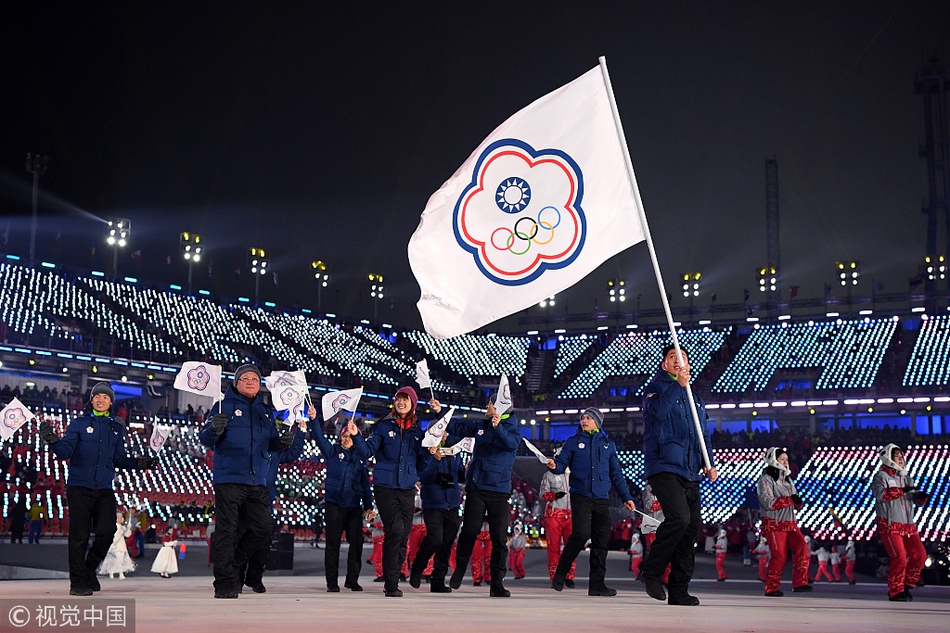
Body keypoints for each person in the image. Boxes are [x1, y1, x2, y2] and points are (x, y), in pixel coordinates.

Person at [39, 382, 157, 596]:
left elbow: (119, 459)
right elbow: (64, 451)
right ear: (91, 400)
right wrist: (53, 440)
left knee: (107, 531)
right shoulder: (79, 424)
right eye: (97, 396)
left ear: (111, 402)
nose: (101, 399)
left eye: (105, 396)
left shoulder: (116, 428)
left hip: (104, 488)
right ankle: (77, 583)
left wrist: (141, 463)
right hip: (79, 487)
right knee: (79, 536)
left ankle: (88, 568)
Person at [198, 364, 294, 599]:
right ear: (236, 382)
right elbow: (205, 438)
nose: (251, 381)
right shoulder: (223, 406)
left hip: (257, 480)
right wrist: (213, 429)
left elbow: (270, 442)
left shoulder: (263, 410)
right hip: (229, 477)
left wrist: (281, 442)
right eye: (245, 378)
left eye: (255, 378)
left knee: (263, 529)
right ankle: (223, 583)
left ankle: (233, 566)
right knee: (226, 532)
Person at [640, 345, 717, 606]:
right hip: (663, 464)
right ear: (664, 365)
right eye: (672, 357)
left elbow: (703, 433)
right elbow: (657, 414)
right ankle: (651, 571)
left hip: (690, 468)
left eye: (682, 357)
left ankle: (679, 589)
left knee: (692, 528)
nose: (677, 360)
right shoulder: (656, 388)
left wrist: (709, 462)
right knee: (679, 519)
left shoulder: (695, 398)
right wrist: (677, 386)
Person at [351, 386, 443, 597]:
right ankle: (391, 582)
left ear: (413, 404)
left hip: (407, 489)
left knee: (402, 537)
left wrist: (429, 454)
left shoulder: (418, 433)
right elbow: (367, 451)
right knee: (396, 530)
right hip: (385, 487)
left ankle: (393, 577)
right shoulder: (383, 427)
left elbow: (421, 467)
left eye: (406, 399)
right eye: (398, 399)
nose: (401, 402)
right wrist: (356, 436)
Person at [546, 408, 637, 596]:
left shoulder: (608, 445)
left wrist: (626, 497)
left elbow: (616, 474)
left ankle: (597, 585)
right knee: (580, 534)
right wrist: (555, 466)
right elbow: (561, 464)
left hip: (602, 498)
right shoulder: (572, 443)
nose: (584, 421)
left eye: (588, 418)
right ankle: (560, 573)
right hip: (581, 496)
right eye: (582, 418)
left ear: (597, 421)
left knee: (601, 542)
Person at [447, 392, 521, 598]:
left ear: (500, 407)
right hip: (477, 487)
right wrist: (439, 413)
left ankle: (497, 583)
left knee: (498, 539)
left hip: (498, 490)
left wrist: (498, 428)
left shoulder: (513, 429)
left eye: (490, 403)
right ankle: (460, 570)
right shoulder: (481, 425)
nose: (487, 406)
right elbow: (459, 427)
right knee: (469, 531)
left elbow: (511, 445)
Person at [236, 411, 309, 594]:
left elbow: (292, 453)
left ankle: (254, 578)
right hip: (243, 497)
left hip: (265, 500)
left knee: (263, 541)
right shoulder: (248, 445)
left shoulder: (275, 450)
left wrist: (300, 432)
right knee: (240, 538)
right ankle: (236, 578)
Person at [312, 414, 372, 592]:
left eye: (350, 436)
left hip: (354, 506)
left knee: (357, 543)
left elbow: (366, 486)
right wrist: (314, 420)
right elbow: (318, 437)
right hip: (334, 504)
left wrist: (368, 506)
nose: (346, 439)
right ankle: (332, 582)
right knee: (333, 544)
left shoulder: (362, 460)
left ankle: (352, 580)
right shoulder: (332, 452)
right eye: (344, 436)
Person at [871, 444, 929, 602]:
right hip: (890, 525)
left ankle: (907, 585)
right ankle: (895, 591)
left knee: (920, 555)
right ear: (889, 458)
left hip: (908, 525)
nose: (901, 459)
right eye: (897, 456)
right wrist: (903, 491)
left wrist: (919, 497)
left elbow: (911, 499)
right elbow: (881, 494)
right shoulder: (880, 477)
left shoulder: (906, 478)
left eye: (902, 456)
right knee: (900, 558)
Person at [409, 433, 466, 593]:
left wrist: (466, 470)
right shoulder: (425, 451)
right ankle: (417, 568)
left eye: (445, 431)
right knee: (435, 539)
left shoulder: (454, 451)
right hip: (433, 503)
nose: (443, 434)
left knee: (447, 543)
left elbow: (461, 477)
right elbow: (422, 476)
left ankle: (438, 580)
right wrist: (434, 459)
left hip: (452, 504)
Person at [757, 447, 811, 596]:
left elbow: (795, 502)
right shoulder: (765, 480)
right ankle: (771, 587)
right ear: (774, 460)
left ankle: (800, 583)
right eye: (783, 459)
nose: (786, 462)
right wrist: (790, 500)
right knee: (779, 556)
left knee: (803, 549)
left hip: (790, 523)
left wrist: (798, 503)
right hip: (774, 523)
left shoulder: (788, 480)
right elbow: (767, 502)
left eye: (787, 460)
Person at [539, 467, 575, 587]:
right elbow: (542, 495)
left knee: (571, 546)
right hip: (554, 515)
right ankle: (554, 577)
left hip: (571, 514)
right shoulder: (549, 475)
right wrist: (554, 495)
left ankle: (569, 577)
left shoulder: (576, 473)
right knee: (554, 548)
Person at [98, 512, 135, 579]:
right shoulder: (113, 527)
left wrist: (129, 528)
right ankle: (113, 572)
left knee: (120, 560)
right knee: (113, 560)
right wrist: (113, 543)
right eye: (119, 518)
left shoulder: (122, 527)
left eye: (121, 518)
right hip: (114, 545)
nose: (120, 519)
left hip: (121, 545)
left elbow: (127, 535)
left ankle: (119, 573)